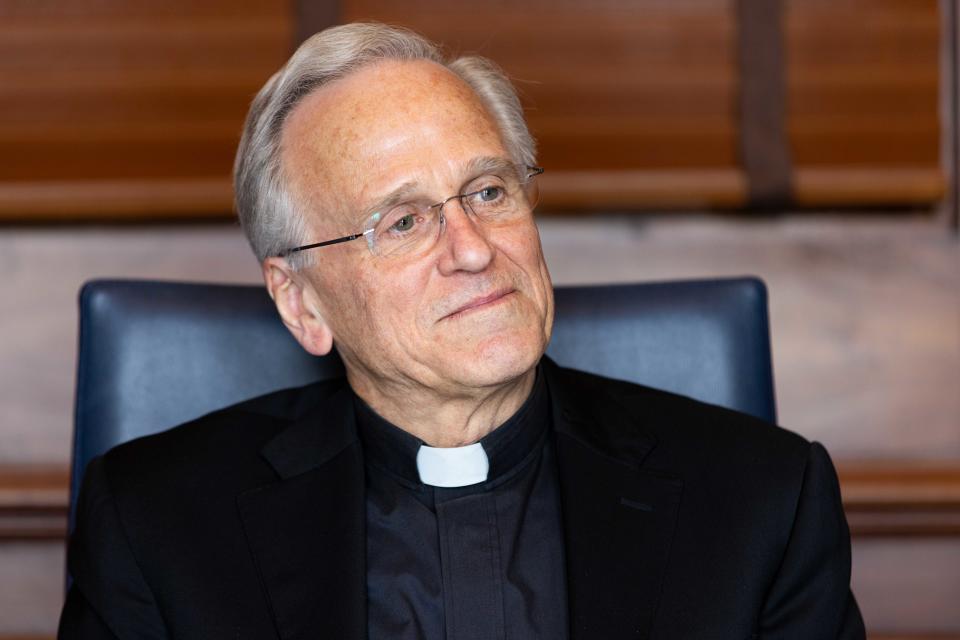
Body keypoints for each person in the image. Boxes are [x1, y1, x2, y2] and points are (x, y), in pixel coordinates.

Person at [59, 22, 865, 639]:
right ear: (301, 301)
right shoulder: (154, 527)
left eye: (487, 191)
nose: (474, 250)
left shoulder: (765, 503)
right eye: (403, 221)